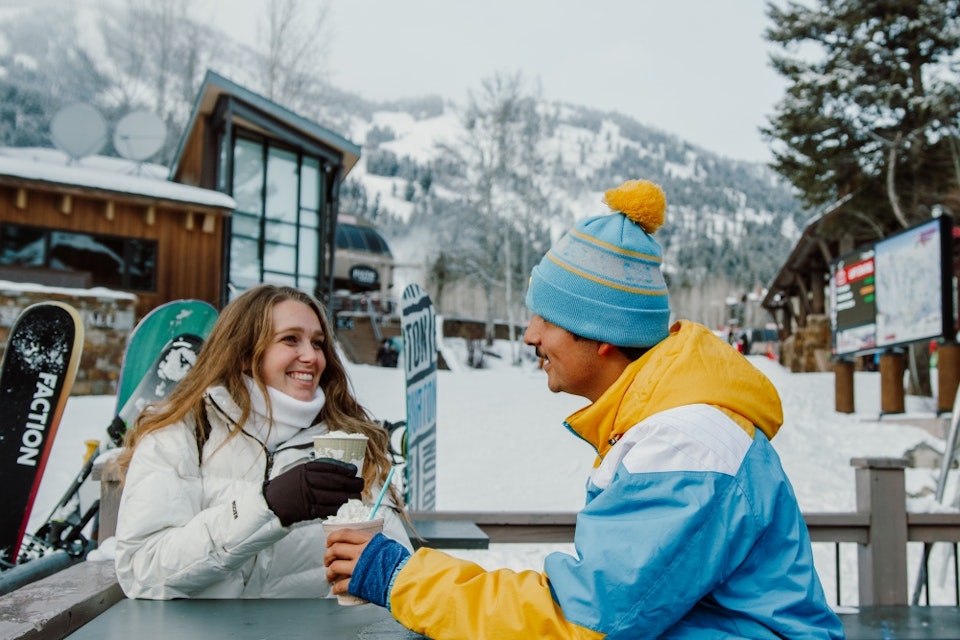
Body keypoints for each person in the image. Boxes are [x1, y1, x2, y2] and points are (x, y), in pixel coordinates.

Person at [324, 180, 845, 639]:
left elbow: (583, 620)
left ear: (602, 336)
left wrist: (404, 579)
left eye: (544, 318)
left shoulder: (686, 443)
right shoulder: (661, 424)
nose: (529, 335)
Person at [114, 284, 411, 599]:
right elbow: (141, 570)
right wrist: (267, 507)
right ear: (243, 353)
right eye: (290, 339)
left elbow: (397, 575)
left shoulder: (345, 439)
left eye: (318, 343)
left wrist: (368, 568)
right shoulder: (183, 433)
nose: (311, 356)